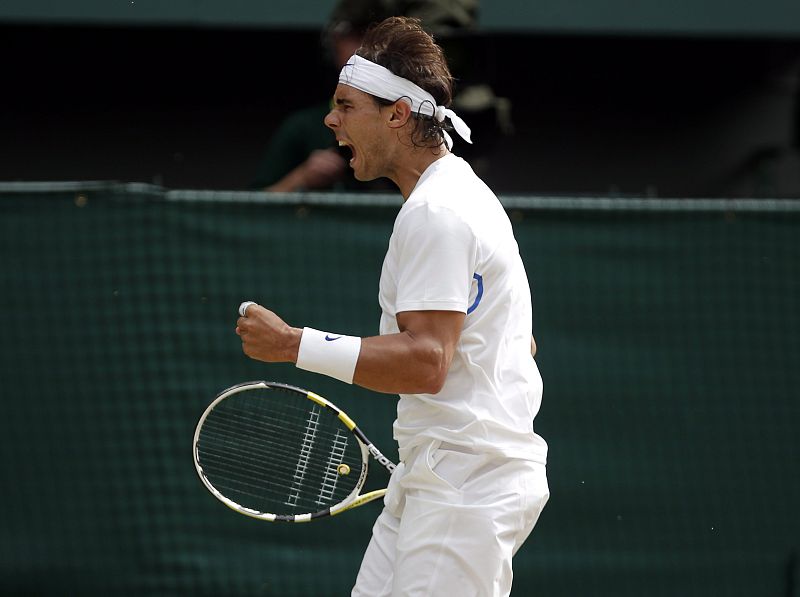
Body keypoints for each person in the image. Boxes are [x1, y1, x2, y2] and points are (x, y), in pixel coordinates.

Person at [236, 16, 549, 596]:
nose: (330, 120)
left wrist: (292, 345)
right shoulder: (455, 193)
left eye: (346, 105)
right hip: (439, 475)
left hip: (464, 484)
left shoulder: (438, 211)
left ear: (398, 114)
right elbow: (513, 339)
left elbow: (426, 363)